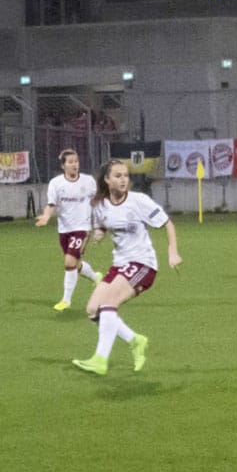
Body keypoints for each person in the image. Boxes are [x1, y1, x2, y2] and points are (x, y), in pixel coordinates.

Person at [71, 159, 181, 375]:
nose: (123, 180)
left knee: (109, 303)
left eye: (126, 176)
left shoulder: (138, 201)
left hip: (143, 264)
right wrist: (100, 233)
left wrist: (173, 251)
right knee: (93, 309)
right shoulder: (100, 205)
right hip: (120, 265)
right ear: (107, 180)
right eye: (118, 176)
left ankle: (100, 359)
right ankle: (135, 340)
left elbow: (167, 223)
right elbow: (103, 224)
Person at [34, 149, 103, 311]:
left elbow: (98, 201)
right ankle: (95, 276)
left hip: (82, 228)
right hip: (64, 230)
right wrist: (45, 217)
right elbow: (51, 204)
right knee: (76, 264)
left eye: (76, 161)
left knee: (69, 262)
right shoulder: (56, 183)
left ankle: (66, 300)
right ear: (63, 165)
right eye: (70, 162)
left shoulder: (88, 181)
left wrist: (99, 225)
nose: (74, 165)